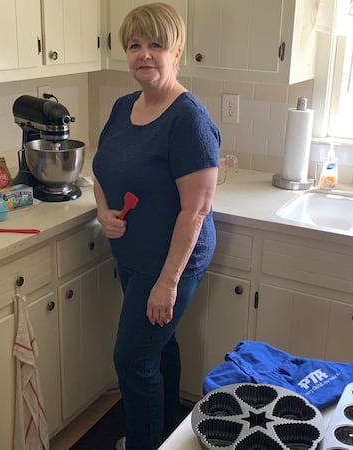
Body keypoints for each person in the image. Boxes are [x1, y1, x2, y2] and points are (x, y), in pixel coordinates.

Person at [91, 3, 221, 449]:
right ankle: (166, 434)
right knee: (158, 348)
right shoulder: (124, 106)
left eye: (156, 44)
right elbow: (100, 169)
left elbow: (196, 211)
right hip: (131, 256)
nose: (144, 54)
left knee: (133, 360)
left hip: (170, 263)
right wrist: (103, 211)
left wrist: (168, 284)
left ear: (177, 51)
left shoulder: (189, 120)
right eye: (134, 45)